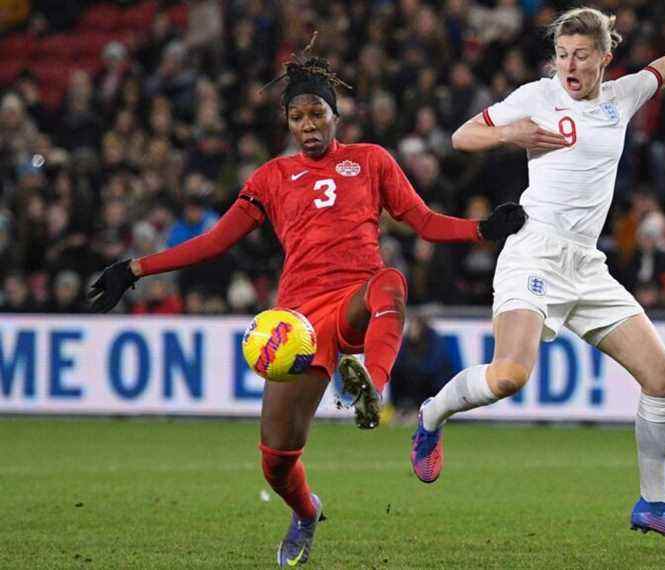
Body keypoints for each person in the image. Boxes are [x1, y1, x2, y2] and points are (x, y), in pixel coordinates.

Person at [87, 41, 527, 567]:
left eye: (317, 112)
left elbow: (423, 221)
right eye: (297, 117)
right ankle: (305, 512)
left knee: (390, 281)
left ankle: (373, 389)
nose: (308, 124)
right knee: (276, 460)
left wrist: (482, 230)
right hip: (297, 325)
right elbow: (214, 242)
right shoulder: (270, 178)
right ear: (289, 123)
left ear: (336, 116)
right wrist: (135, 268)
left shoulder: (371, 161)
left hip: (356, 301)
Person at [410, 7, 665, 550]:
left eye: (582, 55)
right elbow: (460, 137)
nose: (570, 65)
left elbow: (663, 68)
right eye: (563, 54)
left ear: (603, 58)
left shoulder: (621, 98)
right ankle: (433, 412)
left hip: (587, 266)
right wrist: (513, 132)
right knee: (509, 377)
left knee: (663, 376)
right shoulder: (536, 97)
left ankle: (655, 504)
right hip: (534, 256)